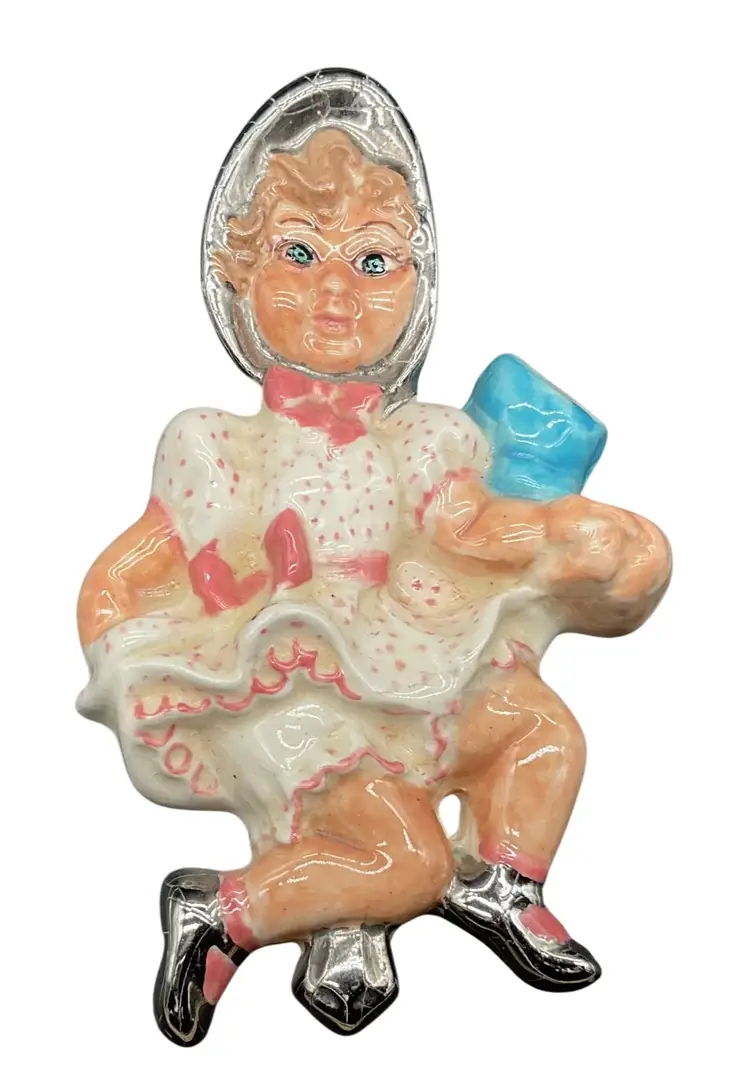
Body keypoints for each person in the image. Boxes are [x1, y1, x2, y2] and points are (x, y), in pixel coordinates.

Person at [78, 115, 670, 1044]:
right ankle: (223, 910)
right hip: (295, 690)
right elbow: (132, 569)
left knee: (542, 731)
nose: (336, 292)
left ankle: (499, 880)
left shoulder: (423, 436)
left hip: (406, 654)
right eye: (299, 254)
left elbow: (465, 526)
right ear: (236, 275)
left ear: (416, 286)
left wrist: (561, 532)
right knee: (404, 860)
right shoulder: (217, 445)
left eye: (373, 262)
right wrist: (125, 653)